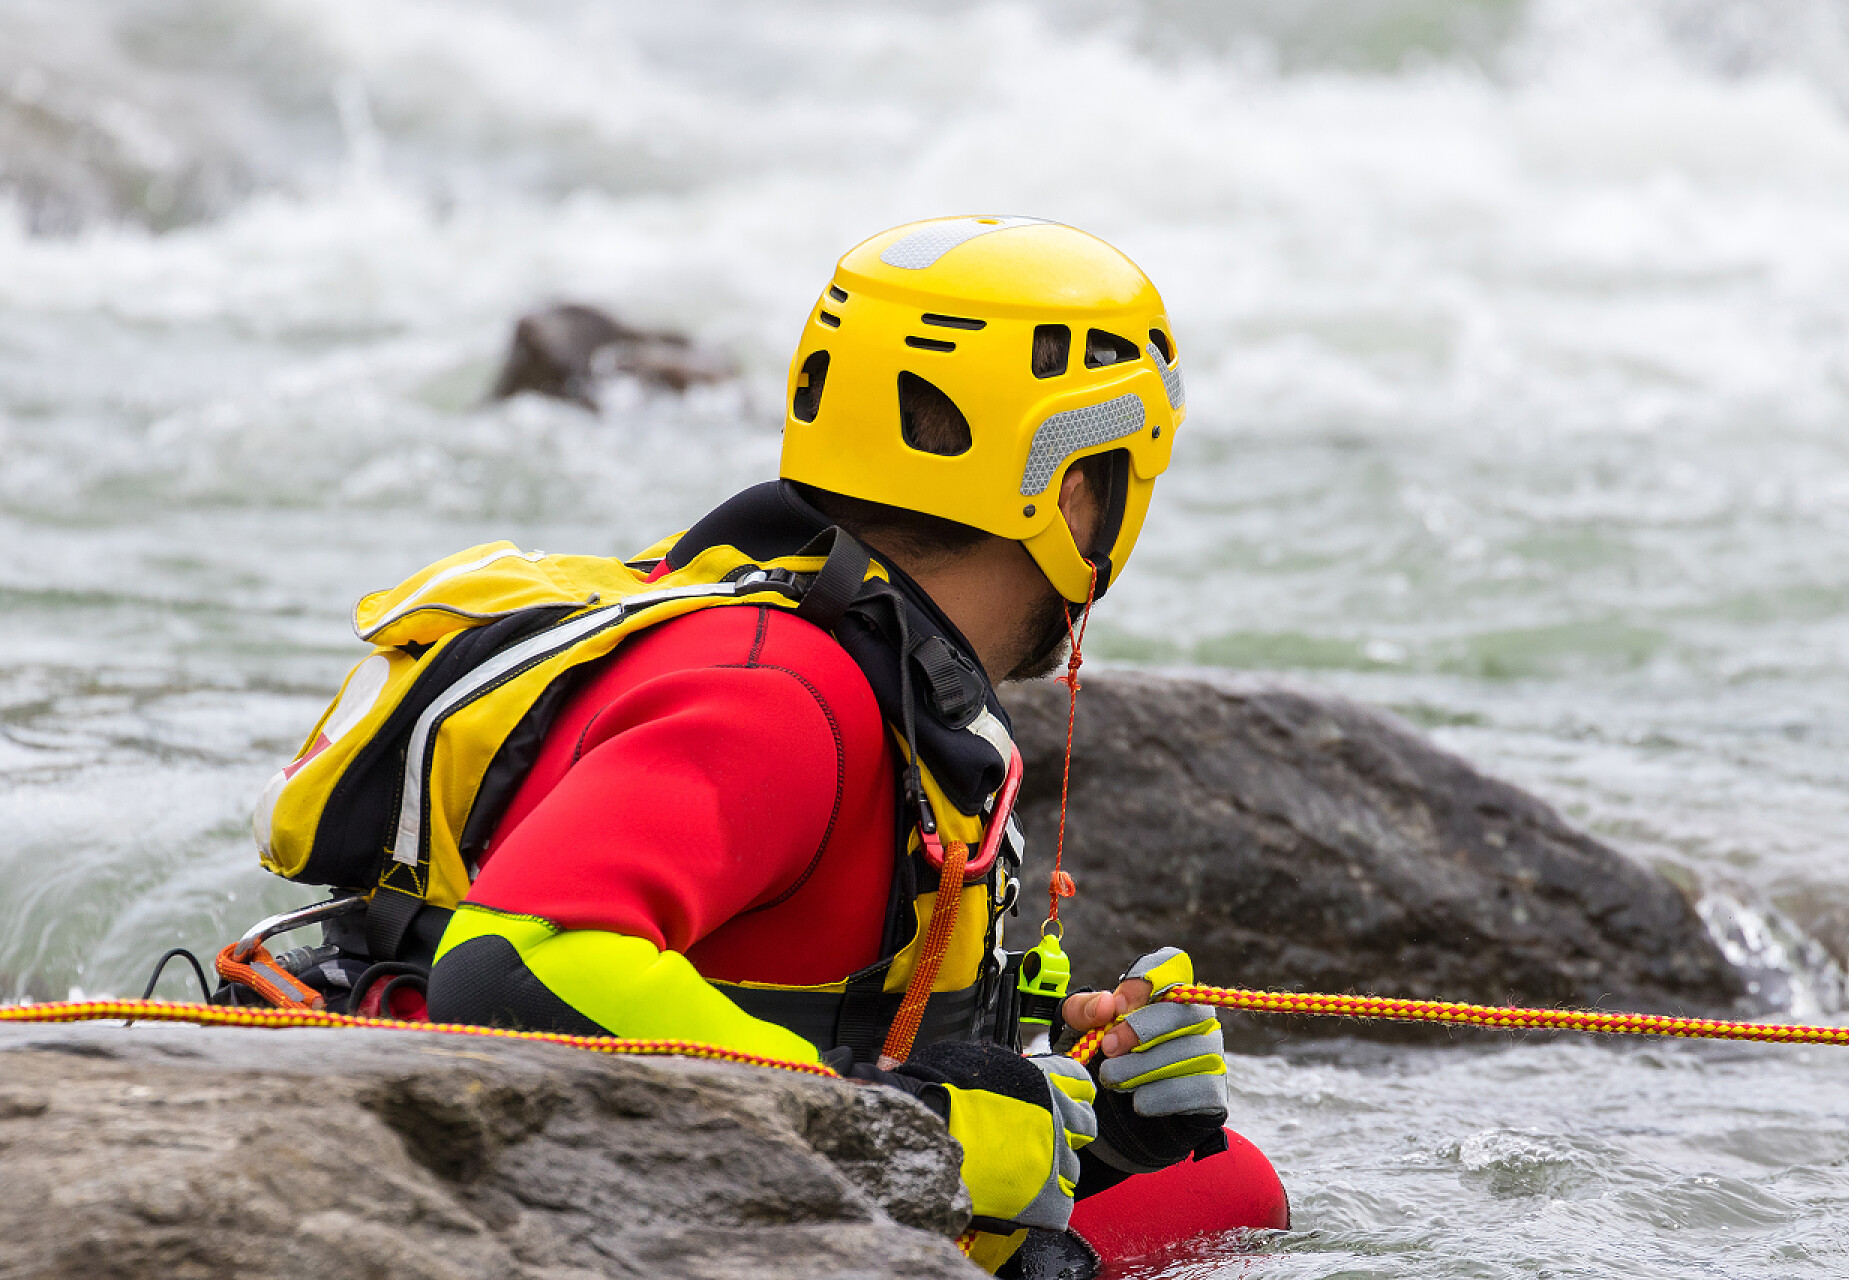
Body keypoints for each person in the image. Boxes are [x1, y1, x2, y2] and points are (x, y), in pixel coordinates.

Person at [424, 216, 1280, 1275]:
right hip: (549, 1182)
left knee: (1213, 1179)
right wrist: (910, 1124)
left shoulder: (886, 665)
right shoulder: (781, 697)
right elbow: (508, 961)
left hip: (707, 1153)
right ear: (1070, 495)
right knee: (1222, 1204)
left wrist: (1092, 1117)